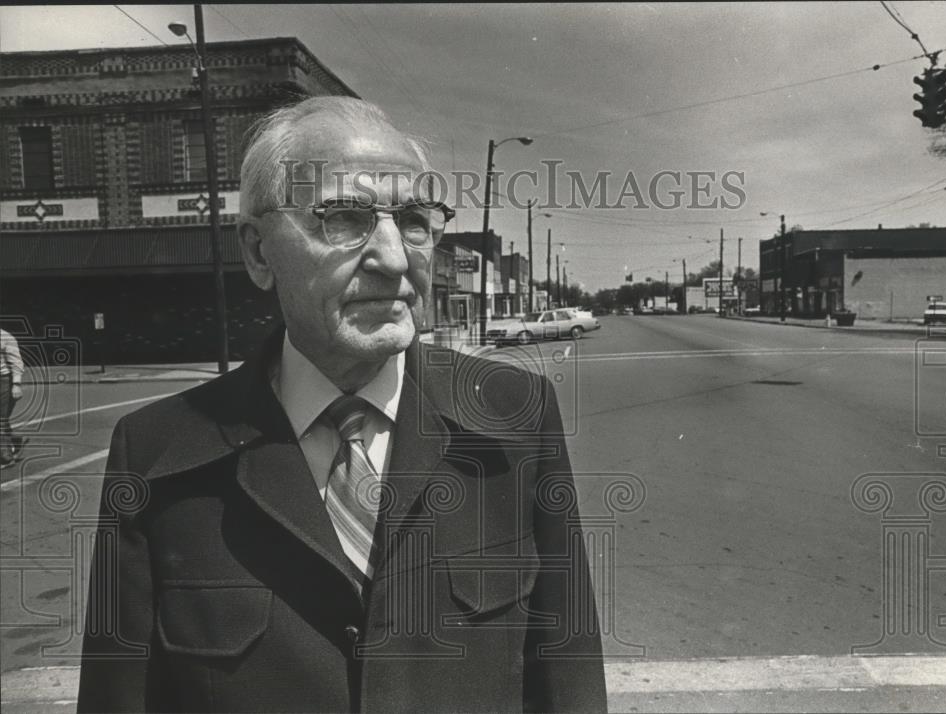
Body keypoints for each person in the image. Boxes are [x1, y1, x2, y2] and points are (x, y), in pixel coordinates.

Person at [77, 97, 606, 713]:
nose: (394, 256)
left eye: (413, 218)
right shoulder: (156, 452)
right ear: (257, 252)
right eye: (343, 218)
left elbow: (566, 670)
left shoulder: (514, 414)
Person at [1, 328, 26, 467]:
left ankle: (6, 458)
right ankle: (16, 440)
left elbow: (16, 362)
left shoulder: (5, 336)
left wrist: (16, 384)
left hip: (4, 380)